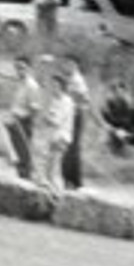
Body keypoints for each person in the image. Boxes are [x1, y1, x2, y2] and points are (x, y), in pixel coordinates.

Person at [4, 56, 41, 180]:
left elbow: (34, 109)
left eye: (22, 68)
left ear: (29, 69)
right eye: (17, 68)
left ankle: (26, 178)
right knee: (16, 153)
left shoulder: (32, 86)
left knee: (24, 152)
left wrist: (22, 119)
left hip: (24, 122)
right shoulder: (19, 83)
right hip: (15, 121)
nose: (19, 70)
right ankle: (20, 177)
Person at [42, 73, 76, 194]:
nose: (53, 88)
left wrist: (48, 119)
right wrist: (47, 119)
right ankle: (51, 194)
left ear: (62, 86)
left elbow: (57, 120)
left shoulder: (67, 101)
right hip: (53, 137)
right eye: (52, 85)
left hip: (62, 137)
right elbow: (49, 118)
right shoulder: (54, 100)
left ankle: (58, 194)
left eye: (56, 85)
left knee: (54, 168)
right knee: (48, 168)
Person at [62, 58, 89, 190]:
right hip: (69, 114)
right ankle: (69, 179)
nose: (67, 66)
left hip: (76, 115)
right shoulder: (69, 79)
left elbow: (84, 98)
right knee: (69, 147)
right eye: (66, 64)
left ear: (76, 65)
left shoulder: (78, 79)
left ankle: (76, 181)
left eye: (70, 64)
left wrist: (73, 98)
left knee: (74, 148)